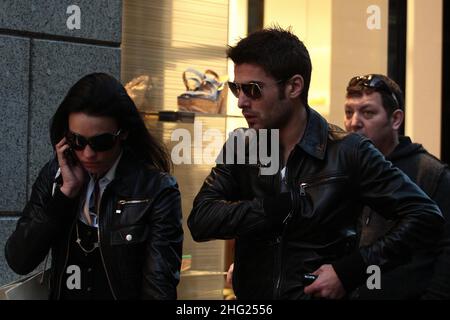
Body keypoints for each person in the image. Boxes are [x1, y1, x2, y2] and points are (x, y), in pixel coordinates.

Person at [187, 27, 444, 300]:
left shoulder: (347, 151)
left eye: (253, 90)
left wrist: (350, 270)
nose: (241, 101)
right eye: (236, 88)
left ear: (294, 87)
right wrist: (276, 208)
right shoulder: (244, 145)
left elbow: (425, 217)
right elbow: (201, 220)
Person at [5, 73, 183, 300]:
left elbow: (159, 289)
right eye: (77, 141)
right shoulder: (56, 175)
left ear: (123, 133)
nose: (88, 153)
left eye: (102, 142)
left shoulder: (155, 189)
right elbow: (19, 259)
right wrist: (65, 194)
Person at [344, 74, 450, 299]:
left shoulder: (431, 173)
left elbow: (446, 252)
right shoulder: (341, 170)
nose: (354, 122)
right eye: (349, 112)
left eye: (368, 112)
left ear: (395, 120)